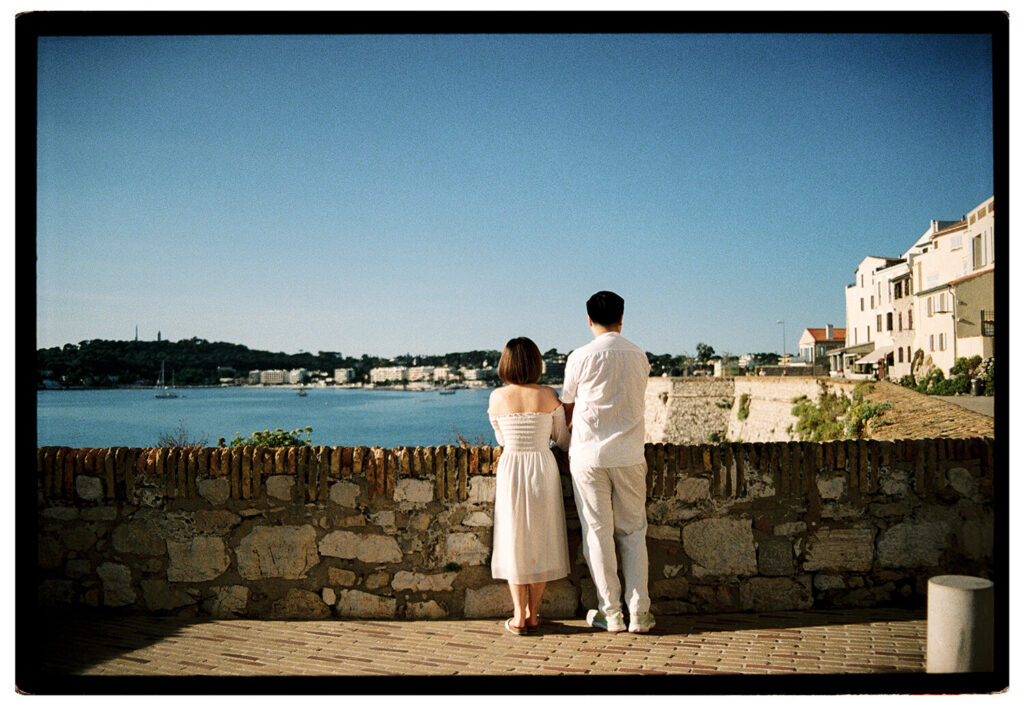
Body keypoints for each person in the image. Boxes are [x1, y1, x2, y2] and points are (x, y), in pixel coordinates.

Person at [561, 291, 655, 634]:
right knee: (633, 532)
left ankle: (610, 613)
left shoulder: (580, 356)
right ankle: (640, 612)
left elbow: (567, 405)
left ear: (589, 320)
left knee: (597, 534)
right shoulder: (638, 355)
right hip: (629, 455)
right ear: (622, 318)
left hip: (588, 456)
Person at [487, 336, 571, 636]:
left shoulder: (496, 398)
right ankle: (534, 613)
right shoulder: (549, 395)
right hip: (542, 466)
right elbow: (562, 439)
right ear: (537, 362)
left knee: (514, 539)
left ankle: (518, 614)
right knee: (541, 538)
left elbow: (500, 439)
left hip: (511, 467)